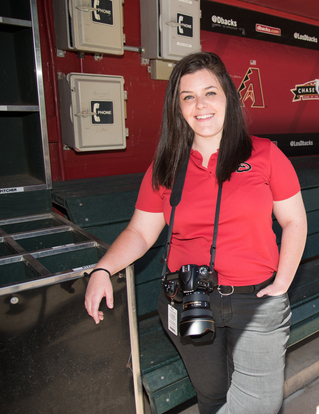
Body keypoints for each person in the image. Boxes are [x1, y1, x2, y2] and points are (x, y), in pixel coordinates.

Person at [84, 52, 307, 414]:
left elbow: (294, 221)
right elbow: (140, 233)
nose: (200, 105)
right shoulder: (167, 165)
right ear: (178, 107)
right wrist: (103, 269)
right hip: (188, 298)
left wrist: (282, 283)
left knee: (259, 404)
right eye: (188, 96)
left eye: (210, 93)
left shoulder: (265, 154)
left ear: (228, 98)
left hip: (255, 299)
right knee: (213, 396)